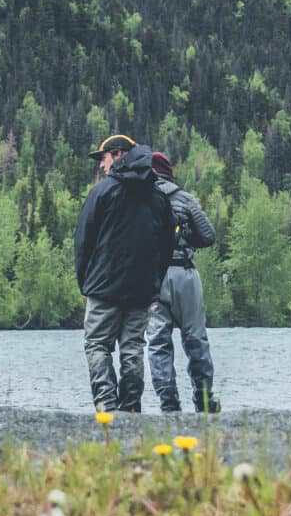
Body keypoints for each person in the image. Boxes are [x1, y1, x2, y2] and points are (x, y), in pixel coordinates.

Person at [73, 134, 169, 412]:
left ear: (117, 155)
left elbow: (83, 241)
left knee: (97, 345)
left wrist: (85, 283)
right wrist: (155, 284)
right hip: (141, 291)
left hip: (103, 288)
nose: (101, 165)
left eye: (103, 158)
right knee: (132, 348)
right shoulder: (158, 196)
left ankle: (106, 405)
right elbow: (166, 246)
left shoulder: (102, 192)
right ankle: (131, 409)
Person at [144, 152, 220, 413]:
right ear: (169, 172)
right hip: (184, 273)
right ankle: (204, 399)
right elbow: (208, 236)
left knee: (158, 343)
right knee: (195, 338)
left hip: (153, 278)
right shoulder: (185, 198)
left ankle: (169, 404)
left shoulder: (140, 200)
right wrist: (188, 239)